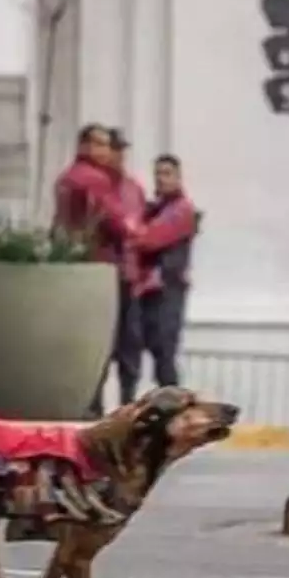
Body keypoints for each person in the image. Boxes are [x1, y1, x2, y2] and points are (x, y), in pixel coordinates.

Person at [52, 125, 148, 414]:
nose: (107, 153)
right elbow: (117, 221)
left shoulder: (67, 179)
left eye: (111, 147)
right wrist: (135, 229)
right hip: (107, 269)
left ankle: (94, 404)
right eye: (102, 145)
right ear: (85, 146)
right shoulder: (94, 179)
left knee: (100, 341)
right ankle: (109, 406)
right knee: (115, 341)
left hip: (83, 268)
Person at [118, 154, 200, 397]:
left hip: (167, 290)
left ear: (178, 177)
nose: (161, 179)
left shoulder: (181, 209)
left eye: (167, 173)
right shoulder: (156, 209)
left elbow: (149, 239)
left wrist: (135, 232)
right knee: (135, 349)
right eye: (158, 174)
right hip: (147, 290)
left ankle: (175, 406)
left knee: (164, 352)